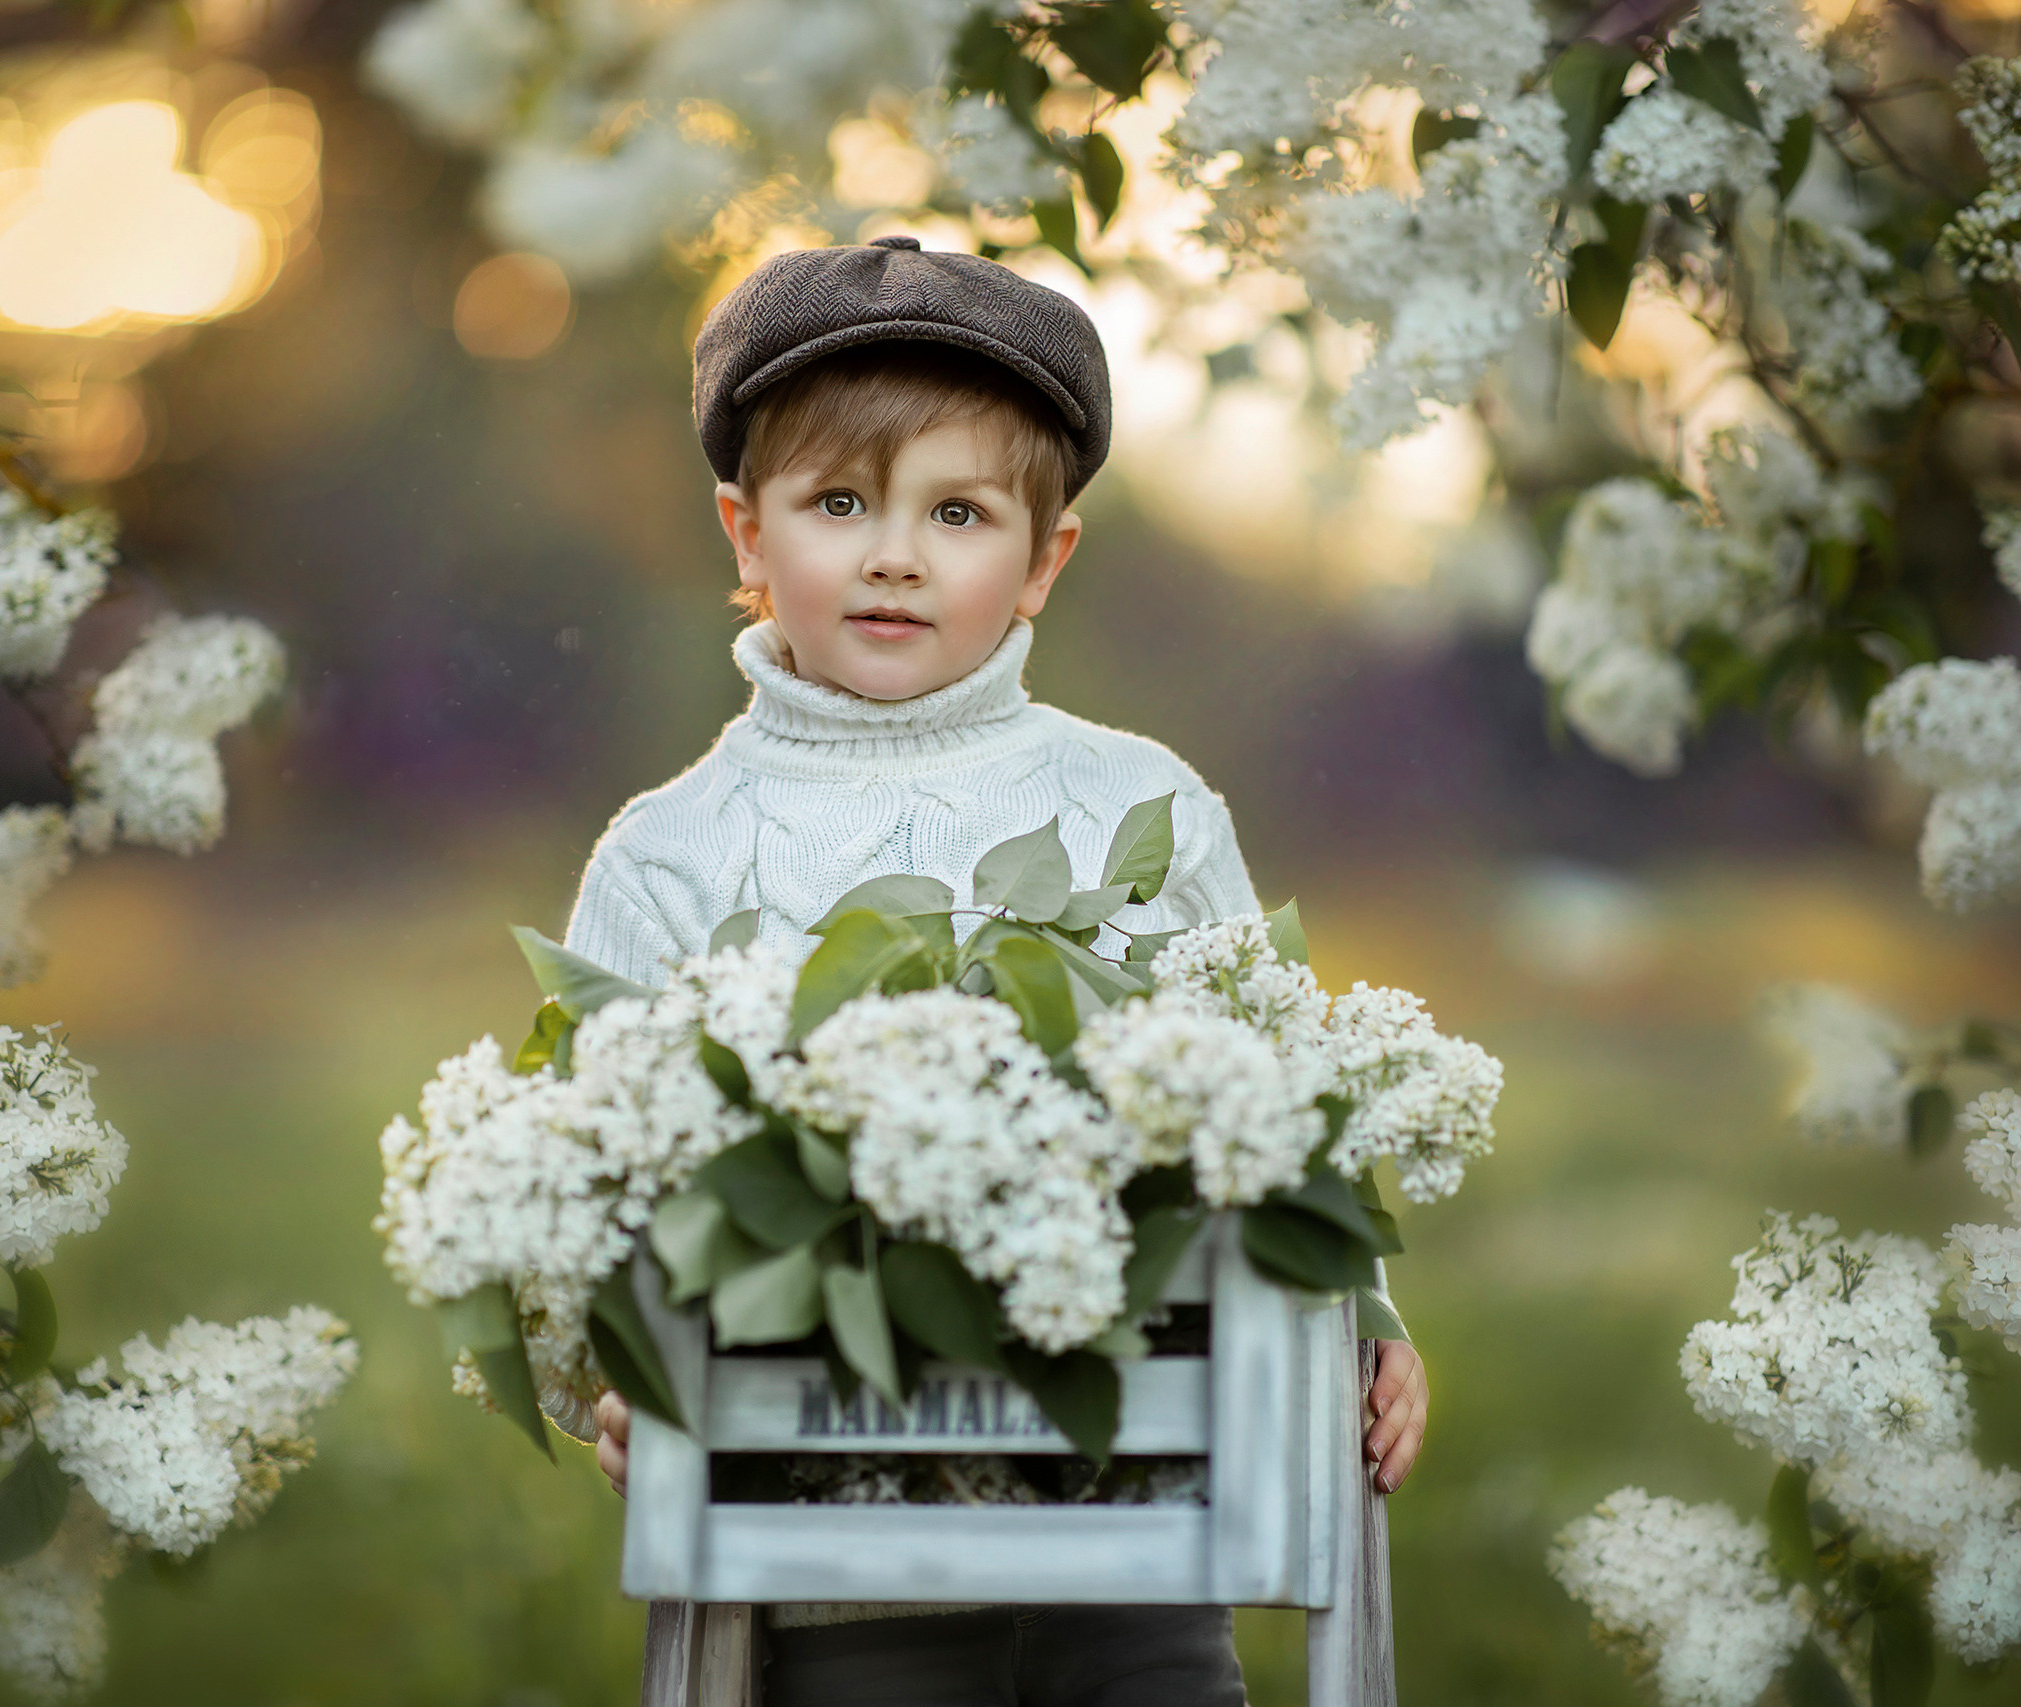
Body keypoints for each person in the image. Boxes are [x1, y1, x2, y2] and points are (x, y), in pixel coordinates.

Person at [563, 233, 1427, 1705]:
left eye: (957, 511)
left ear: (1042, 562)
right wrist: (620, 1376)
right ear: (747, 536)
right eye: (839, 502)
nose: (895, 552)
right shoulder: (672, 856)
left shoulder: (1135, 807)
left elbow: (1270, 1095)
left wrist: (1368, 1317)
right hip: (836, 1576)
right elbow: (586, 1182)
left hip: (1146, 1538)